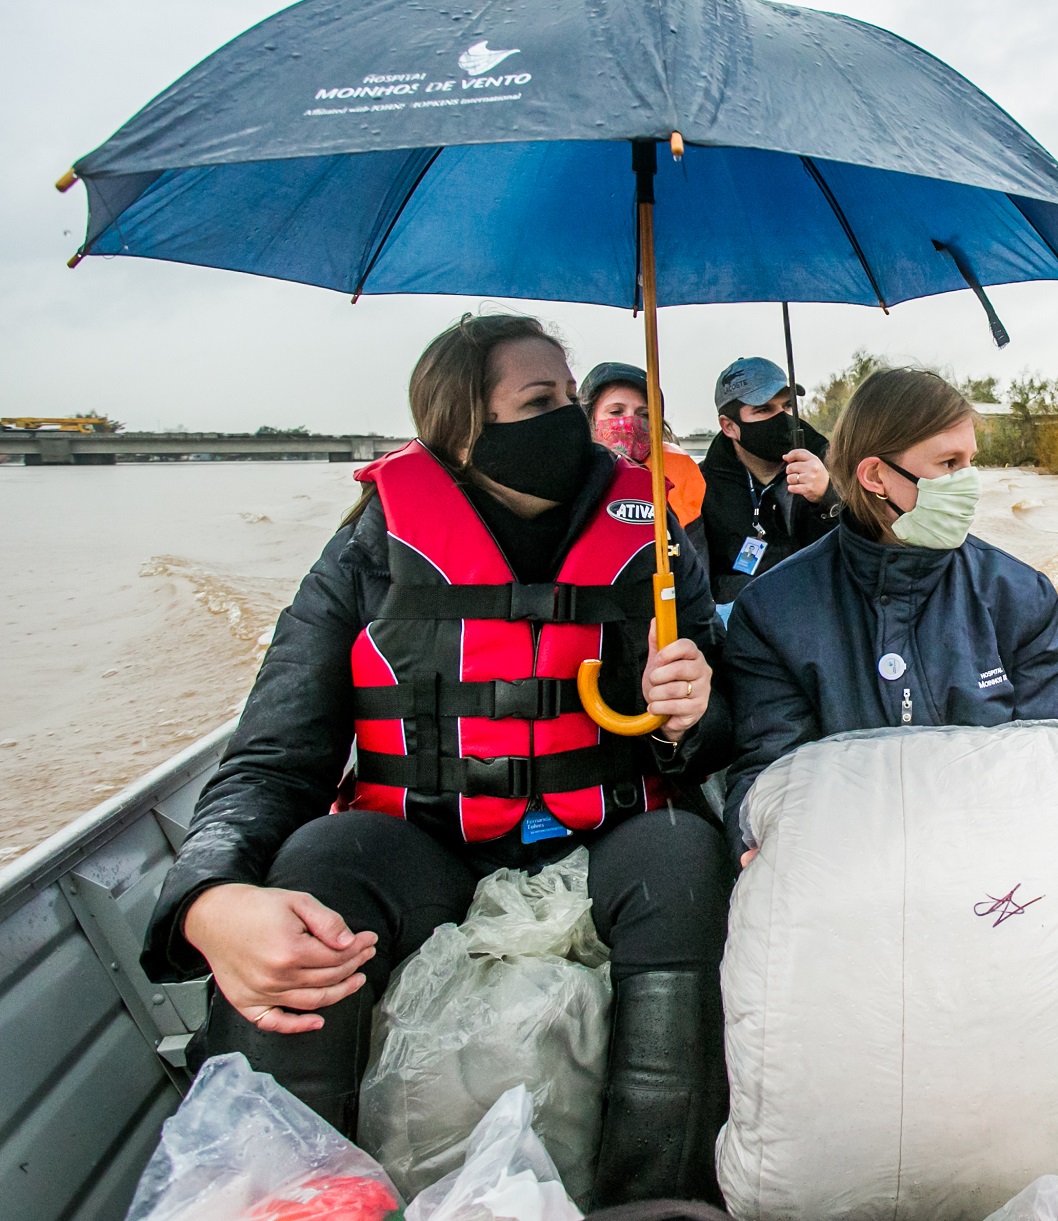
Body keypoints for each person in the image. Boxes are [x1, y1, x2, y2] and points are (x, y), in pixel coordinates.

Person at [140, 315, 734, 1205]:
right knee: (316, 862)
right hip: (423, 848)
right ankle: (293, 1192)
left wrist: (696, 712)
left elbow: (729, 726)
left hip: (609, 838)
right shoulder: (371, 548)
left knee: (688, 855)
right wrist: (208, 899)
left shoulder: (652, 537)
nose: (570, 420)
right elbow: (272, 755)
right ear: (459, 429)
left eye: (571, 398)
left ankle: (657, 1196)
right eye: (541, 402)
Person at [720, 368, 1058, 862]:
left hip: (986, 866)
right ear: (875, 476)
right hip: (842, 865)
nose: (969, 483)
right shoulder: (773, 611)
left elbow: (1048, 755)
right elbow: (770, 769)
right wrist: (758, 835)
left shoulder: (1020, 596)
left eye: (972, 461)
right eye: (949, 463)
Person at [699, 356, 838, 615]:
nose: (782, 418)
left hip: (824, 616)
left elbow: (863, 544)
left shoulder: (830, 462)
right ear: (729, 426)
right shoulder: (703, 487)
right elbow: (701, 579)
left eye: (787, 406)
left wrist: (829, 496)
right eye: (763, 409)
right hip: (746, 625)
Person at [581, 359, 707, 539]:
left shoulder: (679, 476)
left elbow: (696, 556)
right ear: (589, 417)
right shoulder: (569, 475)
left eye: (644, 414)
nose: (630, 423)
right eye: (616, 412)